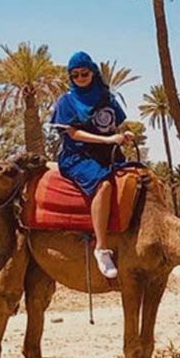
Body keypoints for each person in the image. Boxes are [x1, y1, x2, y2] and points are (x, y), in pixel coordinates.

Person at [49, 52, 136, 279]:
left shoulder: (107, 98)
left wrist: (123, 134)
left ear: (93, 72)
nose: (80, 78)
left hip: (109, 154)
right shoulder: (66, 102)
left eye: (84, 73)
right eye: (75, 75)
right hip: (78, 156)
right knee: (103, 185)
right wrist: (107, 140)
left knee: (140, 178)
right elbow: (73, 133)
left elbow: (113, 126)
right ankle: (101, 248)